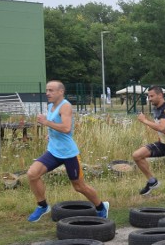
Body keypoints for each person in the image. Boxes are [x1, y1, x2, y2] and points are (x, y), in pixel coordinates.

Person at [26, 81, 109, 222]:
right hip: (53, 151)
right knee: (32, 174)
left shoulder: (65, 106)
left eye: (51, 90)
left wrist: (46, 122)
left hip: (69, 153)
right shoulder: (51, 105)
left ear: (60, 92)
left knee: (79, 186)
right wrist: (50, 133)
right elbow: (56, 124)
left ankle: (101, 207)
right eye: (47, 90)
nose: (47, 93)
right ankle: (43, 205)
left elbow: (66, 128)